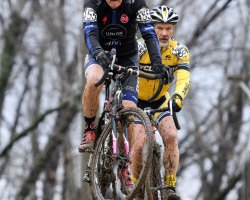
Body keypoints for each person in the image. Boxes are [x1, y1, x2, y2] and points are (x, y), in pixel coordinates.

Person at [79, 0, 163, 188]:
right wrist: (99, 52)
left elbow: (148, 32)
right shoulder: (93, 3)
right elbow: (89, 31)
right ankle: (90, 128)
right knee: (93, 81)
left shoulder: (137, 3)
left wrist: (157, 61)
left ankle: (126, 165)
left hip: (128, 58)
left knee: (130, 110)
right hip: (98, 54)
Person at [135, 5, 190, 200]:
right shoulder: (140, 46)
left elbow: (184, 77)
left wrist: (178, 98)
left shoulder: (179, 51)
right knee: (139, 146)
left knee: (172, 137)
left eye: (169, 28)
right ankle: (136, 188)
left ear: (173, 29)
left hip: (160, 100)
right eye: (160, 28)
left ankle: (170, 185)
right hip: (136, 101)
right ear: (151, 27)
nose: (164, 33)